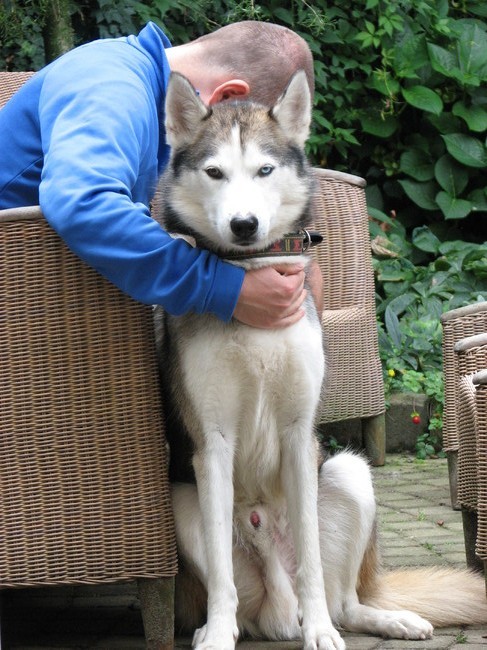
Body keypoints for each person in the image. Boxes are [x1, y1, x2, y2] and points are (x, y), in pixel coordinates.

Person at [0, 20, 322, 327]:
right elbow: (83, 203)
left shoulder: (142, 92)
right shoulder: (110, 86)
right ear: (228, 99)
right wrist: (225, 287)